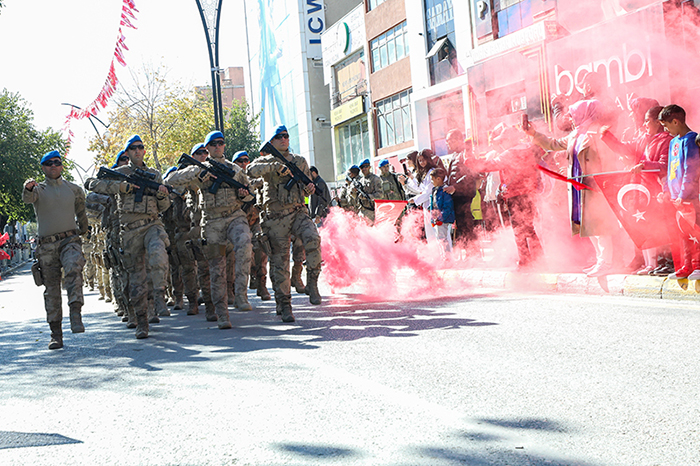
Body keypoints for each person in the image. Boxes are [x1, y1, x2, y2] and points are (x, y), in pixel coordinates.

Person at [85, 135, 171, 339]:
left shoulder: (154, 175)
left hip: (152, 224)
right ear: (128, 152)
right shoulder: (119, 173)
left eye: (141, 147)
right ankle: (141, 321)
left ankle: (159, 294)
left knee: (158, 251)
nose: (137, 151)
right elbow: (91, 184)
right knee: (136, 281)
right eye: (133, 148)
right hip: (130, 231)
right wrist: (120, 188)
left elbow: (165, 207)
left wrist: (161, 195)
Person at [167, 131, 254, 329]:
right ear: (207, 148)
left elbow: (251, 195)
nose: (217, 146)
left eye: (221, 143)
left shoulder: (235, 169)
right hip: (212, 221)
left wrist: (244, 195)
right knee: (217, 270)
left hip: (234, 216)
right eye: (213, 144)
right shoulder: (199, 169)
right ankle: (222, 314)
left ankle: (241, 294)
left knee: (244, 241)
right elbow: (171, 179)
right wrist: (196, 173)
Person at [525, 100, 621, 277]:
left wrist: (602, 182)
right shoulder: (576, 134)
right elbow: (553, 144)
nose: (571, 116)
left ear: (584, 113)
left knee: (599, 225)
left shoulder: (596, 133)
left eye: (574, 113)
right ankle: (601, 260)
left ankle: (606, 262)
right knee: (587, 224)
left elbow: (607, 159)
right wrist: (533, 133)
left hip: (594, 185)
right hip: (578, 185)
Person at [247, 125, 322, 322]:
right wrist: (274, 166)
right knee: (280, 264)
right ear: (271, 142)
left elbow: (305, 190)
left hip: (298, 212)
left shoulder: (299, 161)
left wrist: (309, 189)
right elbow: (250, 170)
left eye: (286, 136)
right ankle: (285, 304)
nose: (283, 140)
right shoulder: (265, 161)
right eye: (279, 137)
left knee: (313, 238)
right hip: (275, 218)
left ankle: (312, 282)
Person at [23, 150, 88, 349]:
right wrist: (27, 187)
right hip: (46, 247)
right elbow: (27, 198)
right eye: (49, 163)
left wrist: (84, 231)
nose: (53, 165)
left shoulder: (74, 189)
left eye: (57, 162)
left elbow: (81, 212)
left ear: (61, 166)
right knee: (51, 290)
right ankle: (56, 334)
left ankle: (75, 313)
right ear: (43, 167)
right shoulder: (38, 190)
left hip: (69, 240)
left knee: (73, 267)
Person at [601, 104, 673, 275]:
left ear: (659, 121)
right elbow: (625, 148)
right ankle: (653, 264)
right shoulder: (643, 138)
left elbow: (664, 165)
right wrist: (607, 136)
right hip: (643, 190)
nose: (644, 124)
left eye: (647, 121)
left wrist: (645, 165)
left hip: (659, 190)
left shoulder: (666, 140)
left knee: (662, 226)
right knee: (648, 226)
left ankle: (667, 261)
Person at [482, 125, 545, 270]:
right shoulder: (530, 150)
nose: (502, 143)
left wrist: (469, 160)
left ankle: (525, 260)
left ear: (510, 139)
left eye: (504, 140)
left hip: (515, 195)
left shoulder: (509, 154)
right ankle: (538, 258)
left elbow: (489, 165)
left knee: (519, 229)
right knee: (528, 227)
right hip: (529, 193)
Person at [657, 105, 700, 279]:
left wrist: (683, 194)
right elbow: (670, 169)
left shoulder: (691, 140)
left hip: (689, 197)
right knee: (682, 233)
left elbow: (691, 169)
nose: (666, 129)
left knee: (694, 232)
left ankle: (698, 266)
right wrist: (666, 191)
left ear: (676, 121)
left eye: (666, 125)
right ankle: (687, 265)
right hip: (676, 198)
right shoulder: (673, 142)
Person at [232, 150, 271, 301]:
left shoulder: (255, 178)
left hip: (255, 220)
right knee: (238, 256)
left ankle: (261, 284)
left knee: (261, 250)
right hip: (238, 221)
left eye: (245, 160)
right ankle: (235, 288)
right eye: (240, 161)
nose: (243, 164)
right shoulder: (231, 178)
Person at [442, 130, 479, 246]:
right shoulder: (455, 154)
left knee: (466, 224)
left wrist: (455, 187)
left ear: (458, 140)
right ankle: (468, 251)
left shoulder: (466, 153)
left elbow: (470, 174)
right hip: (456, 195)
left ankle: (473, 253)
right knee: (461, 225)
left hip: (464, 194)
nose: (447, 144)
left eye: (450, 141)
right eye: (447, 141)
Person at [406, 149, 440, 243]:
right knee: (430, 233)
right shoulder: (425, 172)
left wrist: (416, 200)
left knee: (437, 233)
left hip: (434, 204)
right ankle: (434, 254)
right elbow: (421, 188)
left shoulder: (432, 171)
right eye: (420, 160)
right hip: (427, 205)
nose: (422, 162)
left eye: (423, 159)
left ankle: (443, 255)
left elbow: (428, 191)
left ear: (428, 159)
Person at [429, 168, 455, 258]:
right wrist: (432, 217)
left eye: (432, 179)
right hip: (437, 218)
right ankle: (443, 256)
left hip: (443, 219)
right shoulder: (434, 190)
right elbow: (433, 204)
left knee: (443, 238)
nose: (431, 182)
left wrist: (441, 218)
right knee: (439, 238)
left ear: (438, 179)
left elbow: (448, 206)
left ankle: (447, 257)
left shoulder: (445, 191)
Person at [355, 158, 383, 223]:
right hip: (362, 211)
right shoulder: (360, 181)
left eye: (366, 166)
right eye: (362, 167)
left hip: (371, 212)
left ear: (369, 167)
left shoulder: (375, 179)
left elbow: (380, 195)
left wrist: (367, 197)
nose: (364, 169)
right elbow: (356, 198)